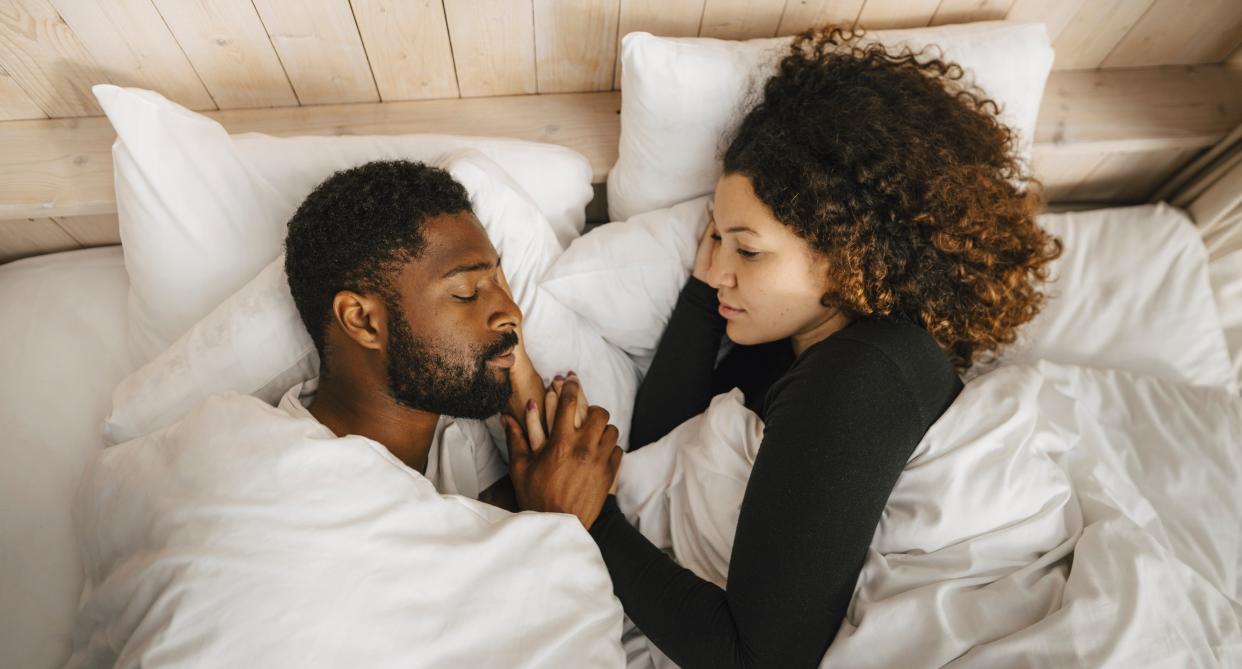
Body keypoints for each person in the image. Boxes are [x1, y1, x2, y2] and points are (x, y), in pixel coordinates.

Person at [503, 26, 1063, 667]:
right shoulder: (793, 342)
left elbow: (761, 659)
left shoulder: (865, 370)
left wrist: (589, 521)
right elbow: (671, 449)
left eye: (748, 248)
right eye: (715, 238)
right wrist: (703, 287)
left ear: (848, 257)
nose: (719, 268)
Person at [282, 159, 617, 506]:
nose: (512, 313)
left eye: (498, 282)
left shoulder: (451, 431)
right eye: (466, 292)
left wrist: (525, 396)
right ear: (362, 320)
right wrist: (568, 517)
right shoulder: (303, 494)